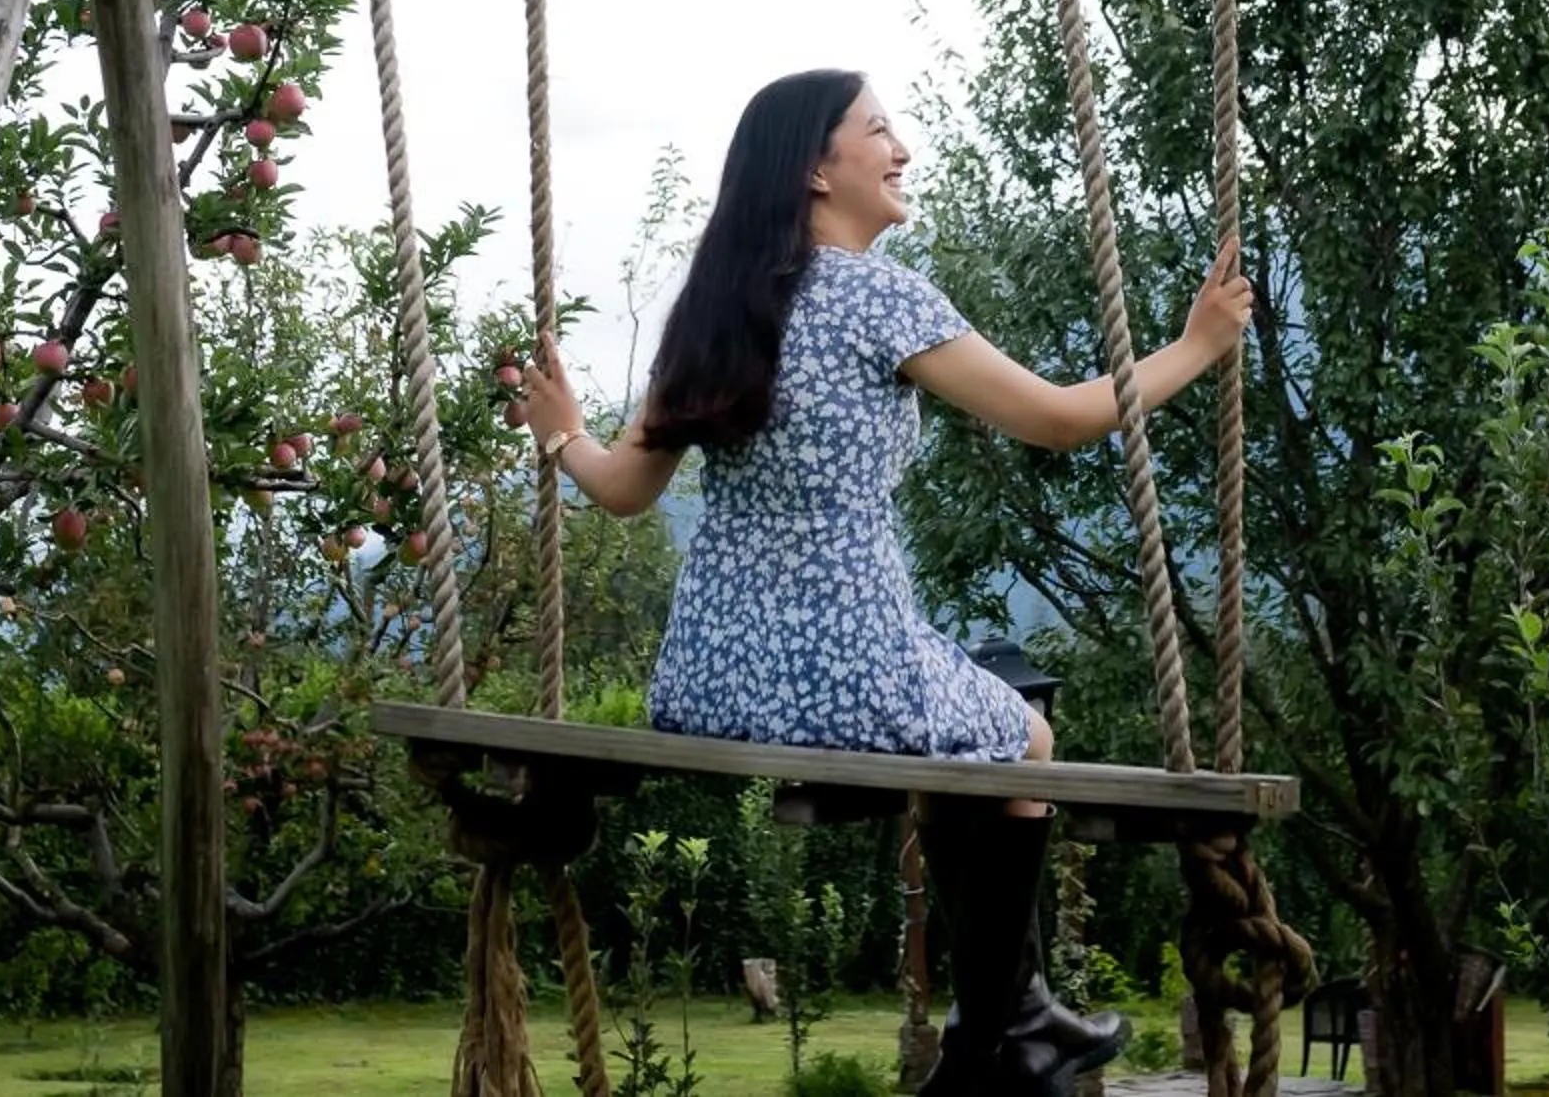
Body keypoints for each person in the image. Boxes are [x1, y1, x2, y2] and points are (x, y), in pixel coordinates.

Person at [522, 68, 1250, 1097]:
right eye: (879, 131)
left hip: (708, 676)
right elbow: (1056, 419)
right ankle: (990, 1039)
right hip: (841, 662)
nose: (900, 148)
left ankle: (1011, 1023)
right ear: (819, 169)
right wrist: (1196, 347)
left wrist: (562, 434)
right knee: (1023, 737)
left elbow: (625, 490)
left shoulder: (716, 308)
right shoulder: (878, 294)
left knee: (972, 732)